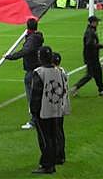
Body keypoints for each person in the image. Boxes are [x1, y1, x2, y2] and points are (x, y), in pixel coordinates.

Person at [30, 46, 69, 174]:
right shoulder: (59, 71)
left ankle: (47, 165)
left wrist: (34, 112)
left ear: (40, 57)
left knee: (45, 139)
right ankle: (55, 159)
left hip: (43, 111)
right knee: (53, 136)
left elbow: (36, 94)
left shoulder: (39, 72)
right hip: (56, 109)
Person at [5, 18, 44, 129]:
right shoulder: (36, 37)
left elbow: (25, 51)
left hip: (32, 70)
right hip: (36, 69)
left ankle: (34, 121)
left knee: (32, 97)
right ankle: (39, 118)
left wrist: (10, 57)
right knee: (37, 96)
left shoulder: (32, 39)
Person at [70, 16, 103, 97]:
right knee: (89, 75)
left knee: (98, 73)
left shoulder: (92, 31)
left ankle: (102, 90)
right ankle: (75, 87)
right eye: (96, 22)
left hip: (93, 56)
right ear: (92, 23)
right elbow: (89, 44)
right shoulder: (90, 32)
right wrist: (101, 45)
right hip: (90, 57)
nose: (98, 23)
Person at [51, 52, 71, 165]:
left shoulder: (54, 73)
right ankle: (60, 155)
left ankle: (58, 156)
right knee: (59, 131)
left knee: (55, 132)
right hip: (62, 106)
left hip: (56, 107)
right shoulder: (62, 71)